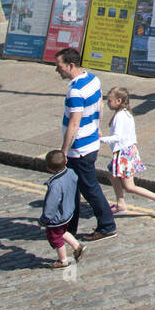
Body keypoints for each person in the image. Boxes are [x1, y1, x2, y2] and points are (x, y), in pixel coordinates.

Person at [54, 48, 116, 242]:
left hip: (79, 148)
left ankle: (107, 225)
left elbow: (74, 122)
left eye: (59, 66)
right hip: (91, 141)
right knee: (74, 187)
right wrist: (97, 127)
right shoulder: (93, 80)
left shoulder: (75, 91)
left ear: (70, 65)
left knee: (89, 188)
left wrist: (64, 151)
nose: (57, 70)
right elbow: (99, 105)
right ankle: (69, 227)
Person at [100, 87, 155, 217]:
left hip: (124, 154)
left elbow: (118, 137)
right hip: (127, 151)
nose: (108, 103)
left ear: (119, 100)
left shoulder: (120, 116)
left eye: (110, 101)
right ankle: (120, 204)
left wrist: (100, 140)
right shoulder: (126, 113)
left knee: (129, 187)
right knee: (112, 175)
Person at [39, 150, 84, 269]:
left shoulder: (55, 185)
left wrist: (43, 220)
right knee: (62, 232)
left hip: (57, 218)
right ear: (66, 161)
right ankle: (77, 246)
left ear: (48, 168)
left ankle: (63, 260)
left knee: (55, 237)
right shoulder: (71, 172)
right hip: (68, 211)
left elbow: (51, 206)